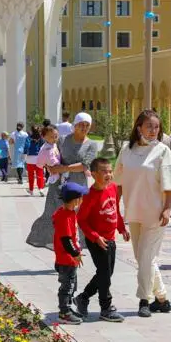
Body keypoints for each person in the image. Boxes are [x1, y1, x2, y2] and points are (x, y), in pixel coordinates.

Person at [114, 109, 171, 318]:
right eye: (149, 126)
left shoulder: (162, 151)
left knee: (145, 258)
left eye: (156, 127)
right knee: (143, 258)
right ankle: (162, 299)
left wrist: (167, 209)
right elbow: (117, 182)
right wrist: (114, 206)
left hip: (155, 213)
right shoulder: (127, 149)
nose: (153, 130)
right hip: (133, 211)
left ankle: (144, 300)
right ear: (139, 127)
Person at [26, 112, 98, 249]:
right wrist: (48, 166)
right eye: (81, 124)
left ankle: (73, 245)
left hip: (77, 185)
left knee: (74, 216)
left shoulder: (91, 145)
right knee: (54, 214)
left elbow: (85, 165)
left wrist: (63, 168)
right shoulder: (62, 140)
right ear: (75, 125)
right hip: (58, 185)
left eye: (87, 125)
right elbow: (50, 153)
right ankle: (57, 245)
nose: (84, 128)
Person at [74, 158, 129, 323]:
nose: (109, 175)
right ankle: (106, 307)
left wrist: (121, 228)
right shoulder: (89, 196)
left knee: (106, 273)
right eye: (104, 171)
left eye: (110, 171)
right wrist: (95, 237)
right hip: (96, 240)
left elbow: (115, 210)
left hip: (110, 239)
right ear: (93, 174)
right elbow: (81, 220)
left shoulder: (112, 188)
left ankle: (83, 297)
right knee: (105, 274)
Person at [53, 182, 88, 325]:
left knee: (72, 285)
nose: (82, 200)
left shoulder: (69, 213)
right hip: (66, 259)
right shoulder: (64, 216)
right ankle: (64, 313)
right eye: (81, 197)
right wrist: (75, 254)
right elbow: (66, 240)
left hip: (70, 259)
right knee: (67, 286)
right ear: (75, 200)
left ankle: (68, 308)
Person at [24, 125, 45, 196]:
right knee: (40, 175)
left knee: (31, 175)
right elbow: (43, 147)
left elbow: (26, 146)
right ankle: (41, 189)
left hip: (30, 158)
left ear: (31, 130)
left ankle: (31, 190)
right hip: (39, 158)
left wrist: (25, 154)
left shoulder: (28, 138)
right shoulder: (41, 138)